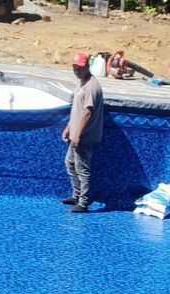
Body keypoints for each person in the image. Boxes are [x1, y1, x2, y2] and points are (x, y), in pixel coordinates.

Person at [61, 51, 105, 214]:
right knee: (70, 164)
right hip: (76, 134)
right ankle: (77, 195)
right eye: (75, 67)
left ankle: (84, 203)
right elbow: (77, 110)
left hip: (85, 137)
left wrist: (78, 135)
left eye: (80, 67)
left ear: (87, 66)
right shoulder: (81, 82)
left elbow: (87, 112)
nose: (77, 71)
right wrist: (68, 128)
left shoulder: (92, 86)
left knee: (82, 169)